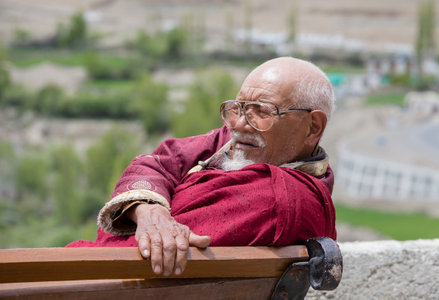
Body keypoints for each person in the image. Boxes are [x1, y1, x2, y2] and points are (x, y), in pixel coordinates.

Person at [67, 57, 337, 278]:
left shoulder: (282, 199)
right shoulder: (242, 144)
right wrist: (150, 210)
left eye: (262, 112)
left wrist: (147, 218)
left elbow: (134, 252)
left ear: (312, 127)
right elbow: (161, 160)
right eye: (239, 108)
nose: (240, 124)